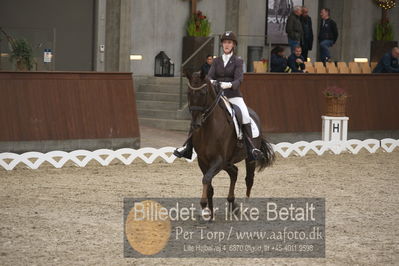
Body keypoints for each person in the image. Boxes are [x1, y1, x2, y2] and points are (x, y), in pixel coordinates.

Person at [174, 31, 263, 161]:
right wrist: (212, 82)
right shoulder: (216, 61)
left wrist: (229, 85)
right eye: (225, 42)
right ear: (222, 45)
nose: (227, 45)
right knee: (198, 114)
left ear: (233, 45)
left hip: (233, 95)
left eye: (229, 43)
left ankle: (251, 148)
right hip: (217, 95)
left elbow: (239, 80)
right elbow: (209, 76)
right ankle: (188, 147)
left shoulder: (238, 61)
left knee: (244, 115)